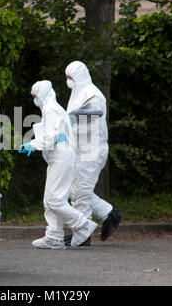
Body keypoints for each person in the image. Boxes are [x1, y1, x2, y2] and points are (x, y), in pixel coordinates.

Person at [19, 80, 97, 249]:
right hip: (58, 157)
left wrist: (33, 144)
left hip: (61, 157)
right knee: (50, 200)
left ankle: (83, 224)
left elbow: (52, 137)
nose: (35, 99)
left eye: (35, 96)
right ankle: (54, 237)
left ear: (43, 94)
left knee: (55, 200)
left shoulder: (51, 109)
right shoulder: (52, 109)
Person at [64, 61, 123, 246]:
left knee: (80, 192)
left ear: (79, 76)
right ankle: (109, 214)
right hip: (80, 149)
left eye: (71, 78)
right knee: (76, 191)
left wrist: (67, 122)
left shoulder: (92, 95)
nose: (68, 81)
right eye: (67, 78)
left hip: (92, 150)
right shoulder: (77, 94)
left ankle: (82, 234)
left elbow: (89, 117)